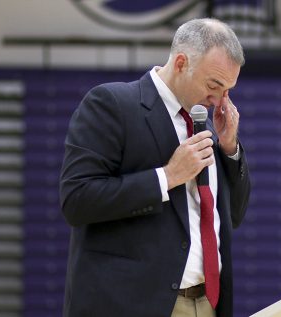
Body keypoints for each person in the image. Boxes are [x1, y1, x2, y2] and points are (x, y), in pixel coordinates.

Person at [59, 18, 251, 317]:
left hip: (207, 303)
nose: (218, 100)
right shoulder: (112, 104)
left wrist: (229, 149)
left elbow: (233, 217)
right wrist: (167, 177)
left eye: (228, 89)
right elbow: (77, 200)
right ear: (180, 63)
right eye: (214, 85)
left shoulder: (206, 128)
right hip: (131, 304)